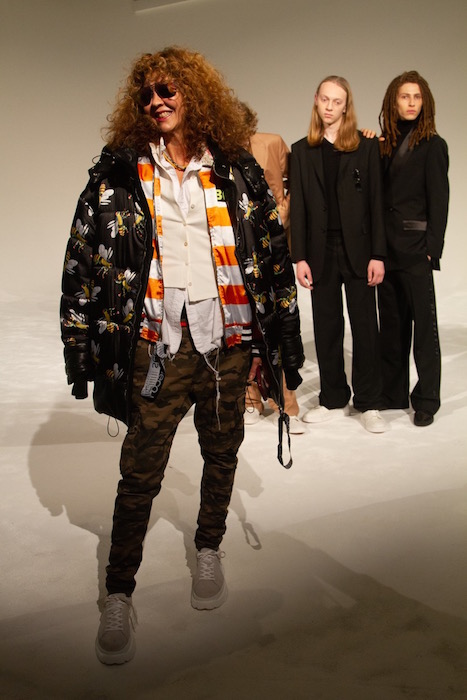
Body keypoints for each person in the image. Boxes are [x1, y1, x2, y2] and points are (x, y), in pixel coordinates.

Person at [60, 46, 304, 665]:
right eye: (146, 94)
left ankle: (209, 548)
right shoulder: (119, 173)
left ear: (193, 93)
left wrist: (282, 342)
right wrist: (79, 345)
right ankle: (119, 592)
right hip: (157, 345)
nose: (156, 101)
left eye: (167, 89)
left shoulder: (235, 169)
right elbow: (82, 257)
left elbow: (271, 253)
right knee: (140, 473)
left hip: (226, 340)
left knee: (222, 453)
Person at [289, 76, 387, 433]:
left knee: (365, 326)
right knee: (327, 326)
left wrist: (378, 254)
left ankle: (369, 401)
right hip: (320, 252)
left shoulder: (365, 146)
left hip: (359, 250)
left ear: (346, 106)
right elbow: (298, 207)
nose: (330, 107)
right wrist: (299, 257)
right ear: (316, 100)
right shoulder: (301, 151)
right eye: (325, 99)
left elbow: (376, 203)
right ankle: (332, 397)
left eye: (337, 101)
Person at [377, 70, 449, 426]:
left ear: (425, 102)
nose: (411, 103)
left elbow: (439, 200)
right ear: (394, 101)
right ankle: (393, 393)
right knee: (392, 325)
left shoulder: (433, 145)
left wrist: (432, 249)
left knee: (424, 329)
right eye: (405, 96)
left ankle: (426, 399)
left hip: (417, 248)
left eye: (417, 97)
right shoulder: (381, 144)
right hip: (385, 249)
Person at [240, 104, 304, 434]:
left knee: (279, 322)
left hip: (272, 242)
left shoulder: (271, 142)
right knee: (244, 325)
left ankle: (286, 403)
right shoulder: (214, 154)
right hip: (238, 247)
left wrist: (283, 212)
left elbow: (299, 177)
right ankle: (250, 396)